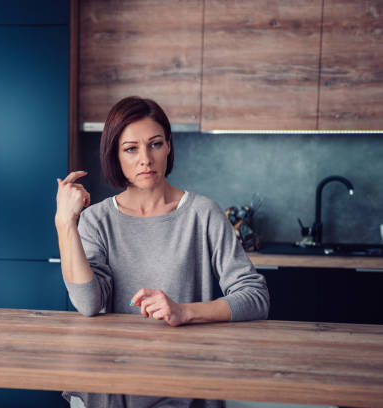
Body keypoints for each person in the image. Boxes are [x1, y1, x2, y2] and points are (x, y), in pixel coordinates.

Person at [54, 96, 270, 408]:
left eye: (155, 144)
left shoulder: (203, 214)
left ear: (168, 146)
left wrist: (184, 311)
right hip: (110, 386)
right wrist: (65, 223)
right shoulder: (96, 220)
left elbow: (255, 297)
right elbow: (88, 304)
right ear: (115, 155)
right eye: (131, 149)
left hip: (182, 385)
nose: (146, 158)